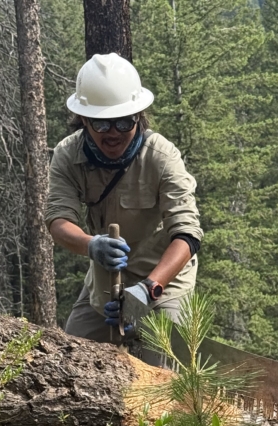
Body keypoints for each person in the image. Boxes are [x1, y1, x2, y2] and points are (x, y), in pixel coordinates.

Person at [45, 53, 203, 367]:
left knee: (166, 374)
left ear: (138, 116)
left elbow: (187, 235)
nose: (113, 132)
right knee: (71, 364)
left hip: (163, 284)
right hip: (106, 282)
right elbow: (58, 220)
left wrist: (149, 289)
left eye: (124, 121)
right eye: (102, 123)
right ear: (84, 119)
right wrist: (91, 245)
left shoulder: (161, 156)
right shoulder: (68, 155)